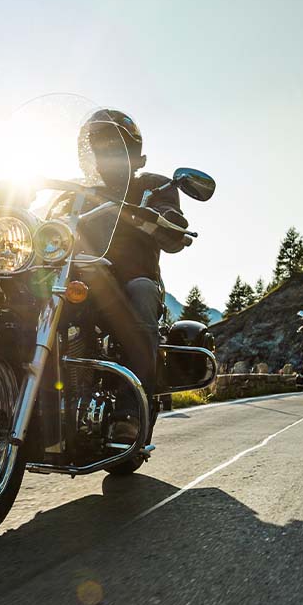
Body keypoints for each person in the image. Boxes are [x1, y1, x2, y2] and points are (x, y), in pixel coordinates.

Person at [70, 109, 191, 440]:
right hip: (80, 280)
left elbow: (172, 220)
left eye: (114, 144)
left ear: (134, 152)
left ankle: (130, 408)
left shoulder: (154, 186)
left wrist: (167, 220)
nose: (104, 152)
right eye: (99, 145)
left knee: (141, 291)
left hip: (132, 280)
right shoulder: (77, 192)